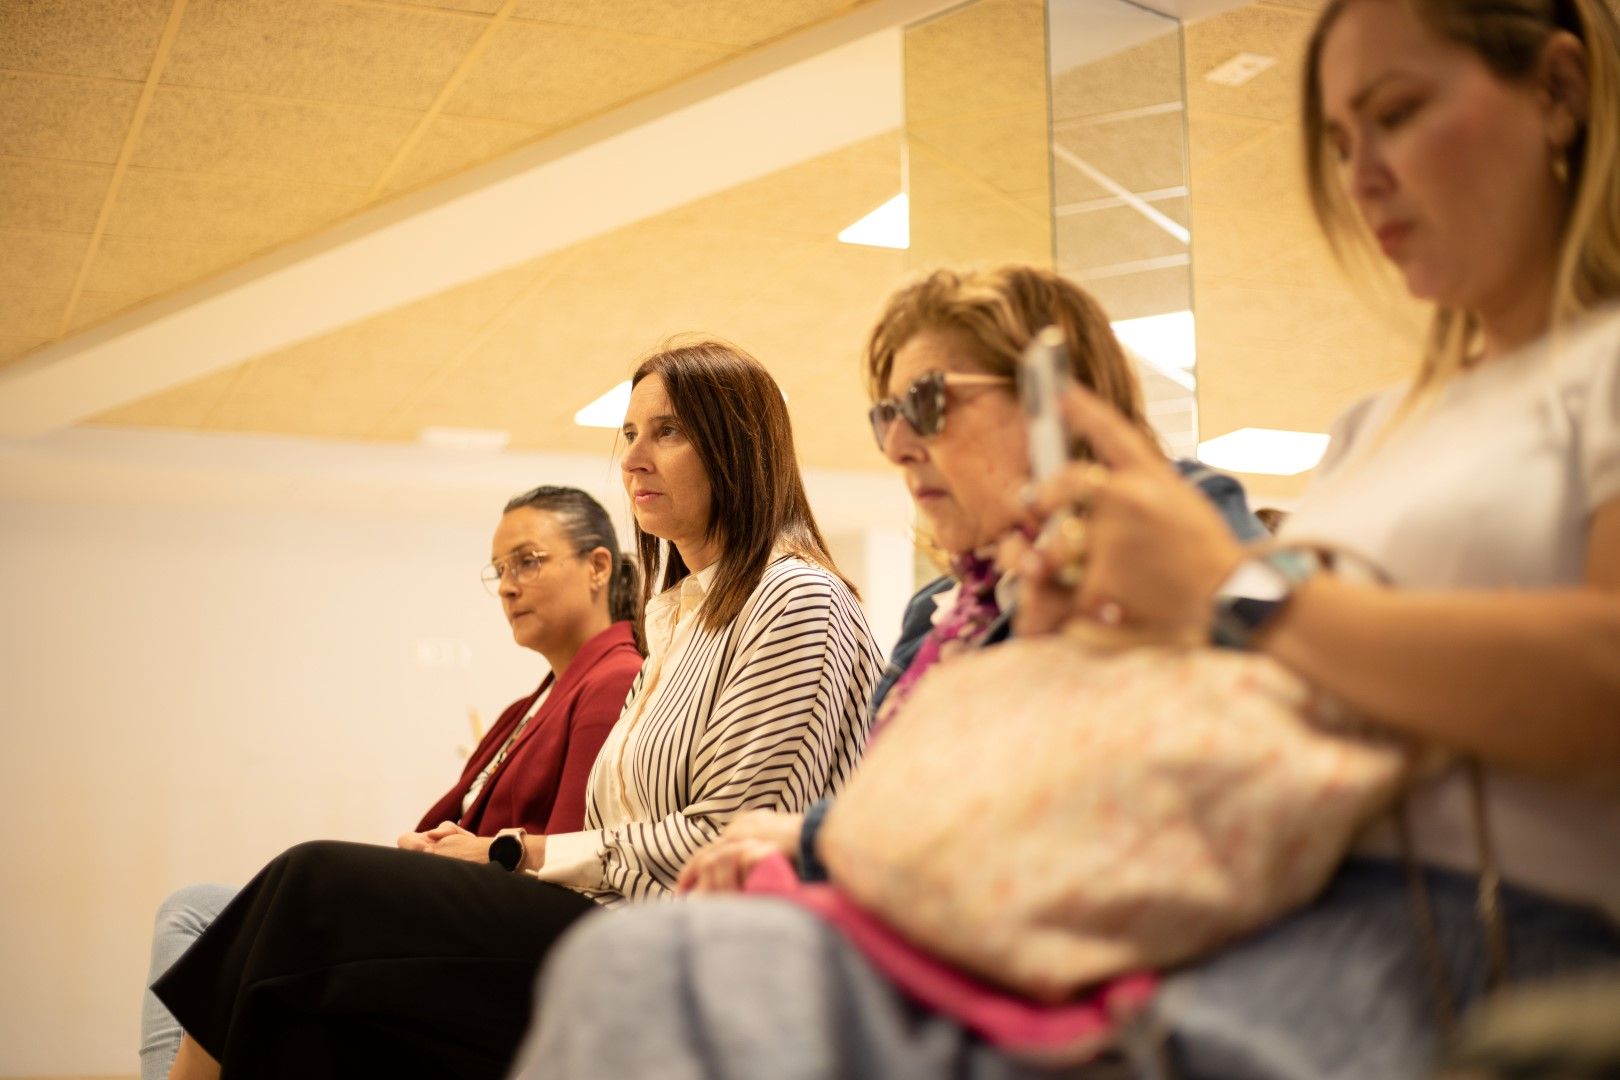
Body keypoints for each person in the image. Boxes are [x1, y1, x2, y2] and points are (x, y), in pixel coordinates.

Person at [513, 0, 1620, 1072]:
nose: (1360, 171)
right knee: (649, 969)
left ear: (1560, 91)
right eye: (1340, 137)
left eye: (1400, 110)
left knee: (666, 980)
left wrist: (1229, 602)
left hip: (1465, 928)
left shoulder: (1598, 372)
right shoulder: (1378, 429)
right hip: (1263, 905)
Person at [509, 265, 1266, 1079]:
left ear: (1054, 400)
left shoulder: (1175, 514)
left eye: (931, 404)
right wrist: (820, 835)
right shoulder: (938, 610)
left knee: (627, 966)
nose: (901, 443)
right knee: (624, 966)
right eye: (888, 416)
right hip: (929, 932)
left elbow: (1270, 677)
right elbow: (884, 809)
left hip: (1059, 941)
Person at [151, 340, 884, 1080]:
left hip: (691, 960)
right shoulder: (674, 620)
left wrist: (515, 852)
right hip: (618, 927)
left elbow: (732, 842)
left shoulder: (795, 599)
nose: (632, 459)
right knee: (311, 1012)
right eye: (628, 434)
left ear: (739, 448)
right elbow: (621, 833)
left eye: (668, 432)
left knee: (311, 885)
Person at [137, 484, 643, 1080]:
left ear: (597, 567)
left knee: (309, 876)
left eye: (528, 561)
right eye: (500, 570)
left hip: (517, 946)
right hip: (464, 912)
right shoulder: (529, 705)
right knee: (193, 911)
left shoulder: (614, 679)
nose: (508, 585)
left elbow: (571, 858)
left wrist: (478, 855)